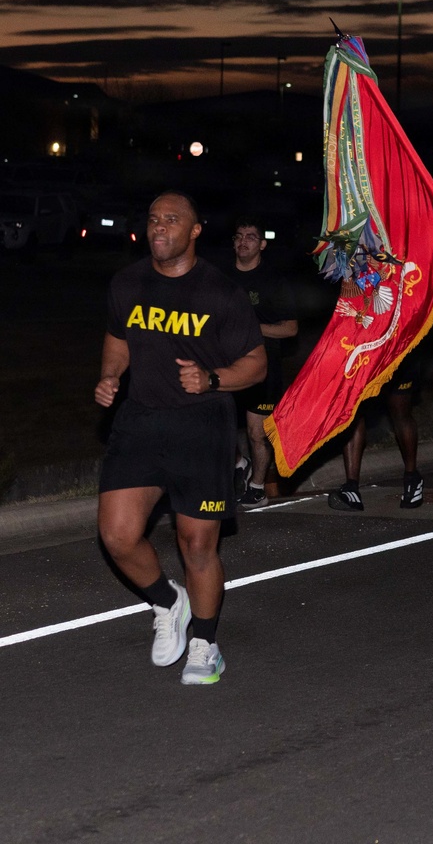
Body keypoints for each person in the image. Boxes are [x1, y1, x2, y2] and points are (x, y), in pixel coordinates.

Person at [94, 191, 266, 685]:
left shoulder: (220, 292)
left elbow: (256, 365)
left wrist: (212, 379)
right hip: (139, 422)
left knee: (197, 545)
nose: (159, 227)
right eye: (153, 219)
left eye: (171, 219)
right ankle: (169, 601)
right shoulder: (127, 283)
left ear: (194, 231)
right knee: (117, 535)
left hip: (202, 427)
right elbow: (118, 339)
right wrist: (110, 375)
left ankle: (205, 644)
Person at [229, 216, 298, 509]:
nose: (243, 242)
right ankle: (239, 463)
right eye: (239, 236)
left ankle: (257, 487)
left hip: (263, 367)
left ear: (262, 245)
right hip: (226, 365)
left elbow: (290, 329)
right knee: (216, 424)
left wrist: (251, 329)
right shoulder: (221, 278)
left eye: (251, 237)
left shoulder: (274, 280)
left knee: (257, 433)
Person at [326, 350, 425, 512]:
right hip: (365, 353)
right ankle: (351, 487)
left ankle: (412, 478)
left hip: (398, 350)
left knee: (400, 410)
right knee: (354, 411)